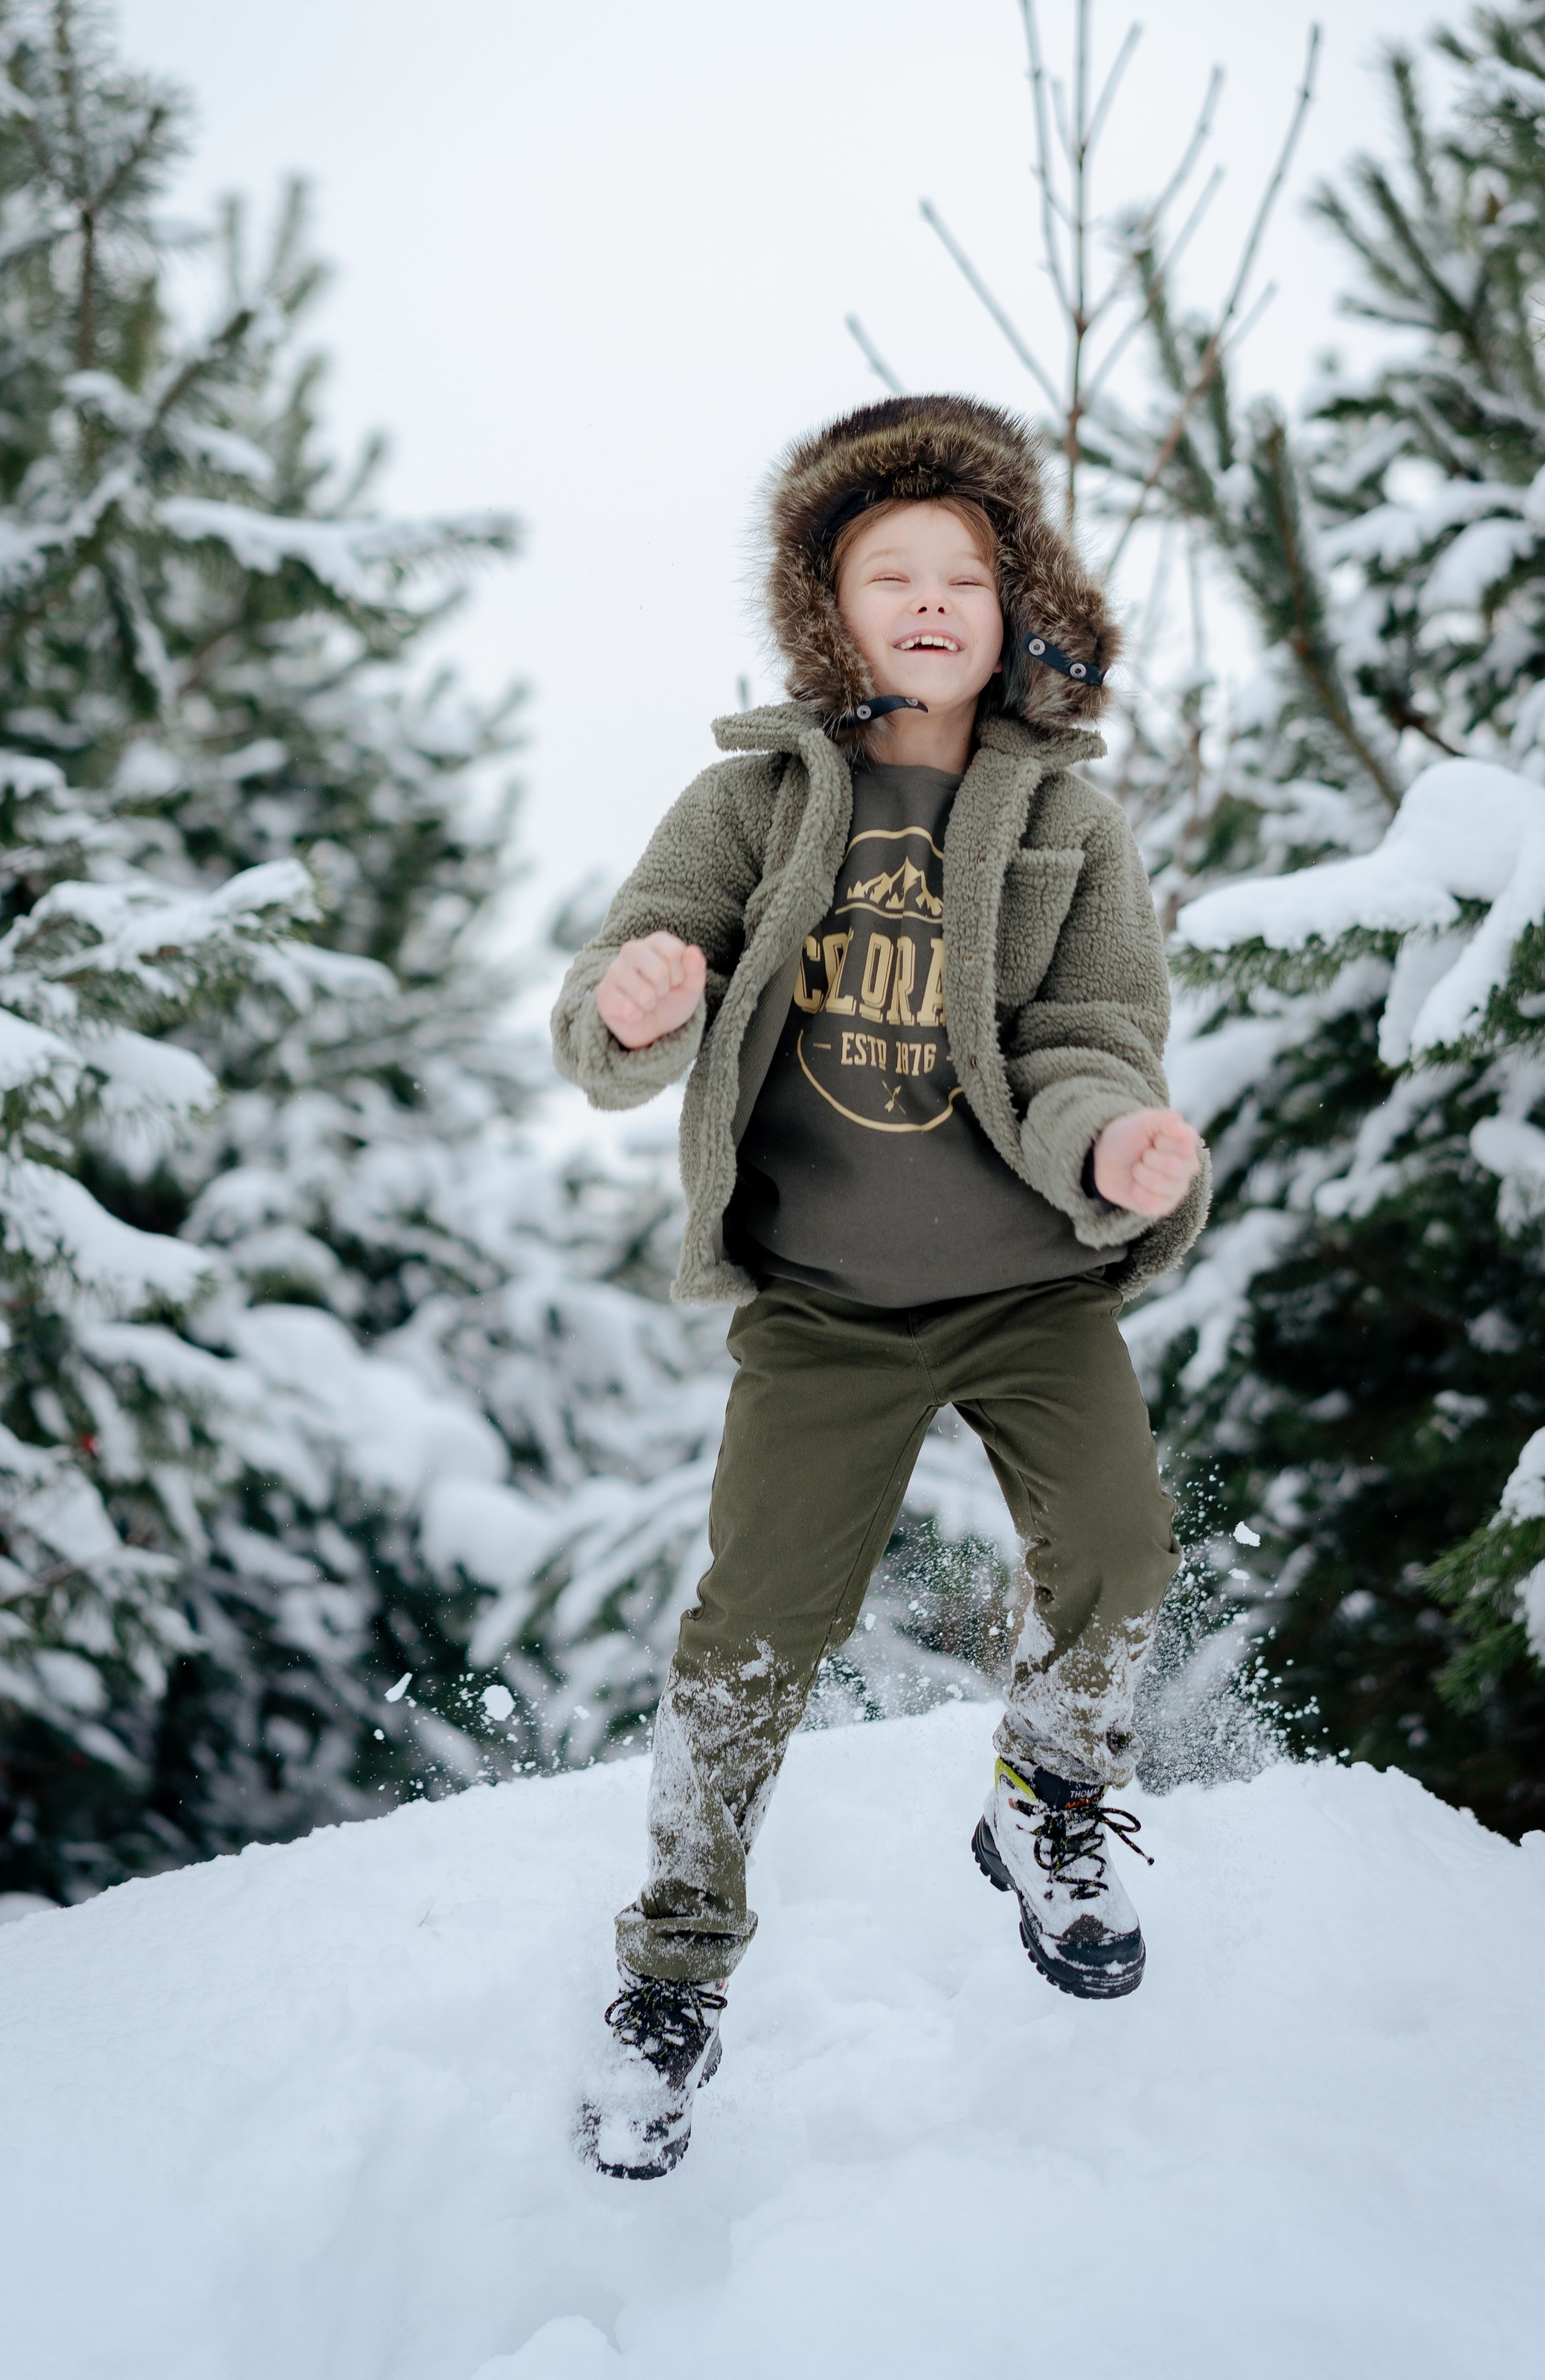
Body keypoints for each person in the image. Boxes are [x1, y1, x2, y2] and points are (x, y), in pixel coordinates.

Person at [551, 393, 1208, 2178]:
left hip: (1025, 1290)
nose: (926, 600)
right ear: (820, 608)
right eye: (883, 572)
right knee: (754, 1630)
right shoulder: (755, 798)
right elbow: (620, 973)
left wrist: (1112, 1146)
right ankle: (671, 1970)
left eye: (963, 575)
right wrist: (634, 1005)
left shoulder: (1069, 819)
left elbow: (1090, 1035)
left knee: (1121, 1545)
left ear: (1017, 604)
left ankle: (1051, 1800)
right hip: (824, 1308)